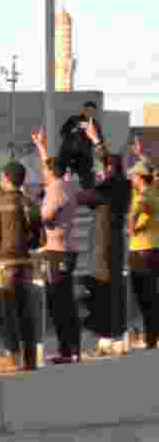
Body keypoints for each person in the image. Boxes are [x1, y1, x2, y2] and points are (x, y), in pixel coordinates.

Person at [77, 121, 131, 355]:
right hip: (112, 245)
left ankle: (112, 336)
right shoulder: (120, 185)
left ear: (110, 169)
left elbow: (84, 197)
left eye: (104, 167)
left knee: (107, 290)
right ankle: (110, 337)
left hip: (104, 247)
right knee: (110, 291)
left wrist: (96, 141)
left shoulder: (114, 184)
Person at [32, 129, 83, 364]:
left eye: (44, 171)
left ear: (51, 173)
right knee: (64, 301)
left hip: (57, 252)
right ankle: (71, 349)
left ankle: (68, 351)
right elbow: (52, 167)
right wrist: (41, 147)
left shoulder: (55, 190)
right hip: (66, 250)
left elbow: (44, 216)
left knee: (59, 302)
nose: (42, 173)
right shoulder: (66, 185)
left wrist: (30, 207)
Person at [0, 161, 40, 373]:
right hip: (26, 264)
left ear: (7, 178)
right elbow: (37, 239)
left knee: (8, 313)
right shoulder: (31, 204)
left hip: (4, 265)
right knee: (26, 312)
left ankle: (13, 358)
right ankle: (31, 359)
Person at [127, 161, 159, 349]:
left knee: (145, 297)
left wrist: (132, 228)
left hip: (142, 251)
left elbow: (134, 212)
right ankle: (152, 335)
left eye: (133, 176)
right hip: (153, 249)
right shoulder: (154, 190)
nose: (131, 178)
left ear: (139, 177)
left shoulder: (144, 195)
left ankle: (150, 338)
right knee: (151, 295)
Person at [57, 103, 103, 191]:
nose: (89, 113)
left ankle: (90, 201)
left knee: (88, 182)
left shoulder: (95, 125)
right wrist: (76, 127)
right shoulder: (73, 120)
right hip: (68, 154)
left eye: (92, 111)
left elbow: (99, 142)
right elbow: (62, 133)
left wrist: (99, 165)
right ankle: (48, 196)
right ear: (84, 110)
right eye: (87, 110)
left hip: (84, 157)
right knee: (58, 177)